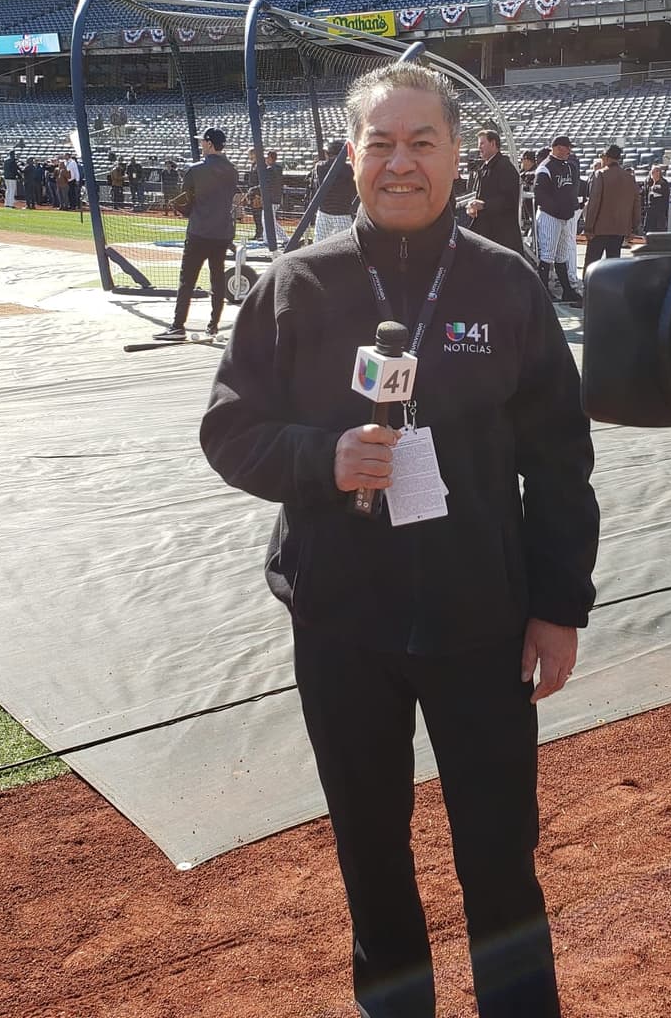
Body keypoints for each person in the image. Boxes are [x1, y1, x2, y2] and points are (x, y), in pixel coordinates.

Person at [200, 61, 599, 1018]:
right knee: (372, 858)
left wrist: (557, 607)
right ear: (350, 157)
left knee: (500, 857)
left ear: (459, 156)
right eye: (381, 143)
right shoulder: (298, 283)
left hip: (483, 622)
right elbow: (228, 430)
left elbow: (557, 462)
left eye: (423, 142)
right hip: (343, 625)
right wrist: (319, 457)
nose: (401, 162)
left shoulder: (506, 285)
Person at [153, 127, 239, 341]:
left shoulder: (195, 169)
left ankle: (177, 326)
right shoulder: (233, 170)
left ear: (209, 144)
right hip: (222, 232)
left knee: (187, 280)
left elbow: (187, 201)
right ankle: (213, 327)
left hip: (199, 231)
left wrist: (183, 209)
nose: (201, 145)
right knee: (217, 278)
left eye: (203, 142)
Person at [532, 135, 582, 306]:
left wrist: (569, 209)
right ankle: (543, 290)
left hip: (565, 217)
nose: (569, 151)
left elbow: (570, 190)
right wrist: (557, 210)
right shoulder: (544, 167)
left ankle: (567, 290)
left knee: (562, 255)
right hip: (549, 216)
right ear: (558, 148)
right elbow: (540, 195)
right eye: (567, 147)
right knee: (548, 254)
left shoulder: (567, 167)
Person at [582, 144, 641, 267]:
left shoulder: (600, 174)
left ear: (606, 157)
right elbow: (636, 204)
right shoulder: (629, 178)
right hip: (620, 229)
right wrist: (634, 228)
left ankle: (588, 285)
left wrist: (588, 227)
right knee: (613, 263)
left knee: (592, 261)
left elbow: (594, 202)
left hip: (599, 228)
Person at [466, 129, 522, 254]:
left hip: (502, 235)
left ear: (493, 144)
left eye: (482, 143)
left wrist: (484, 205)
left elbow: (509, 200)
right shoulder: (486, 166)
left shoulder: (505, 167)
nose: (479, 148)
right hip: (488, 231)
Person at [311, 138, 357, 242]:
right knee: (345, 243)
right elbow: (354, 190)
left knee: (319, 242)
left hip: (324, 211)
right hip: (343, 212)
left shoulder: (320, 167)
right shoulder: (349, 169)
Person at [642, 164, 670, 234]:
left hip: (659, 211)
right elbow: (645, 194)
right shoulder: (648, 181)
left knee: (659, 230)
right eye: (653, 172)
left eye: (657, 171)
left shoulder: (664, 183)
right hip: (650, 210)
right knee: (648, 230)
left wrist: (654, 189)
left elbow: (665, 195)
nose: (655, 173)